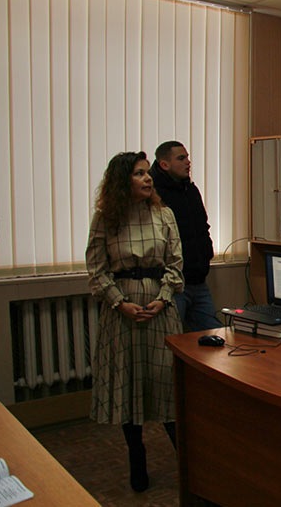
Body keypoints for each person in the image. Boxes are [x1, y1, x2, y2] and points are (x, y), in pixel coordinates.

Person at [85, 151, 184, 493]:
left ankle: (192, 463)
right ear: (121, 181)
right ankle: (136, 458)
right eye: (139, 173)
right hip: (122, 314)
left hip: (160, 309)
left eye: (147, 173)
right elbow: (96, 270)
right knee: (129, 386)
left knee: (168, 384)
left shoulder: (164, 214)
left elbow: (176, 263)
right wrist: (119, 302)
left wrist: (164, 296)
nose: (148, 178)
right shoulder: (105, 219)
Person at [150, 141, 221, 332]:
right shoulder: (153, 195)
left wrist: (206, 254)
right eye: (181, 158)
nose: (188, 162)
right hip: (171, 284)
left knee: (214, 333)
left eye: (187, 157)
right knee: (171, 337)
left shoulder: (190, 189)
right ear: (164, 164)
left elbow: (202, 227)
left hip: (198, 280)